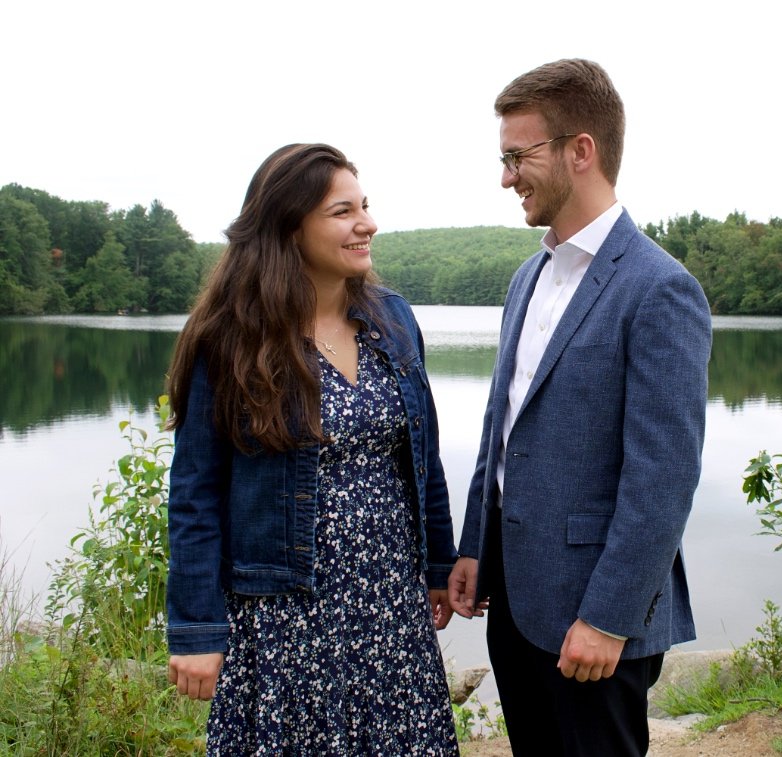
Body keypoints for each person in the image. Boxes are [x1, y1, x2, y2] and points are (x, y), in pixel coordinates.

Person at [447, 59, 713, 756]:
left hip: (594, 617)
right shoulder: (525, 277)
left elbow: (663, 477)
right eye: (503, 158)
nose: (507, 176)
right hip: (515, 599)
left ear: (580, 150)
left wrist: (607, 616)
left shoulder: (660, 289)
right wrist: (476, 542)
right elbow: (501, 429)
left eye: (517, 156)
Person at [164, 143, 460, 755]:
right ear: (288, 227)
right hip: (283, 617)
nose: (367, 224)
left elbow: (423, 461)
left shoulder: (395, 320)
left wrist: (437, 568)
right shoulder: (230, 339)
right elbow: (194, 496)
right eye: (342, 211)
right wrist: (195, 629)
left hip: (389, 610)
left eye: (366, 206)